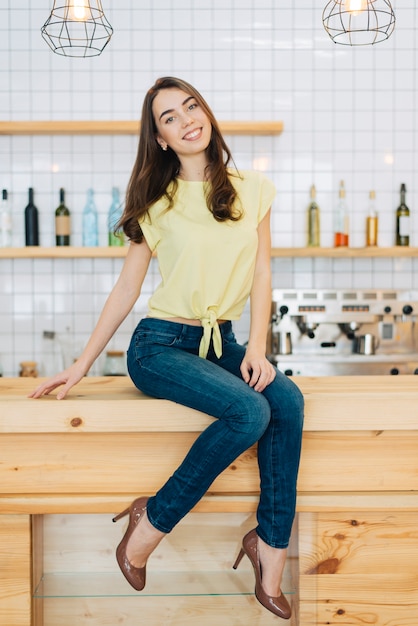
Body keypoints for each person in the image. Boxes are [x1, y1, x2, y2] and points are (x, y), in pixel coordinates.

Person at [30, 76, 304, 620]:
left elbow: (263, 270)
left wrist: (258, 345)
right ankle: (152, 519)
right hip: (160, 346)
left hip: (219, 341)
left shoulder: (254, 190)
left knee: (287, 401)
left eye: (190, 106)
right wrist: (82, 365)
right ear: (160, 139)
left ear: (206, 112)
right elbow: (127, 289)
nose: (186, 120)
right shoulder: (155, 201)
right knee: (249, 410)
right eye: (169, 118)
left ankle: (270, 545)